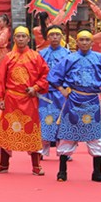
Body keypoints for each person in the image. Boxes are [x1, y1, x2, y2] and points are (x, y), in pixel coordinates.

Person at [48, 29, 101, 182]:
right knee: (67, 136)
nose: (85, 42)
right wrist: (62, 90)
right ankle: (62, 171)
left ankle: (97, 172)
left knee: (95, 137)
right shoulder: (70, 58)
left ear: (92, 43)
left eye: (88, 40)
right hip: (73, 101)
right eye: (82, 40)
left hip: (92, 102)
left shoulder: (100, 58)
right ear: (77, 42)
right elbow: (54, 76)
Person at [0, 26, 50, 176]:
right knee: (7, 131)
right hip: (11, 99)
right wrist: (0, 98)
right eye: (18, 36)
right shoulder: (9, 57)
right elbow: (0, 79)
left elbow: (45, 76)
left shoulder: (36, 57)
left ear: (29, 39)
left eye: (24, 36)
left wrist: (35, 88)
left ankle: (36, 166)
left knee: (32, 130)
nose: (21, 39)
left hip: (29, 99)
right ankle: (3, 164)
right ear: (14, 39)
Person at [37, 26, 70, 158]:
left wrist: (67, 88)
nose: (55, 37)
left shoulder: (67, 54)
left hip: (61, 92)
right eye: (52, 35)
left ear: (61, 37)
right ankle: (42, 150)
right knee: (44, 119)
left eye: (57, 34)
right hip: (45, 92)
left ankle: (63, 150)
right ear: (48, 37)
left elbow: (70, 73)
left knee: (61, 120)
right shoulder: (41, 54)